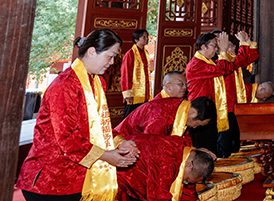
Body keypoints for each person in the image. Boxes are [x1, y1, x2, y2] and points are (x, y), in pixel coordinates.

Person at [17, 29, 140, 201]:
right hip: (51, 179)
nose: (112, 62)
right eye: (110, 56)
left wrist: (120, 142)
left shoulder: (96, 82)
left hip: (80, 178)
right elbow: (67, 138)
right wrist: (107, 156)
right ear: (91, 52)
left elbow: (98, 128)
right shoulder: (65, 86)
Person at [185, 30, 258, 158]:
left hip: (215, 109)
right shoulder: (196, 64)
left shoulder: (210, 62)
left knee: (222, 148)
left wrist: (246, 43)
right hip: (200, 113)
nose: (217, 48)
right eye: (215, 45)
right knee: (207, 149)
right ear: (203, 47)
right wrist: (224, 50)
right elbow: (221, 69)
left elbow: (239, 61)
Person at [116, 134, 214, 201]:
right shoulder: (165, 166)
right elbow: (157, 197)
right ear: (189, 166)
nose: (185, 183)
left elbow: (187, 191)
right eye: (187, 181)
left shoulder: (182, 146)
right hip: (115, 173)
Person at [219, 33, 259, 157]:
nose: (234, 48)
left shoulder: (231, 60)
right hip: (225, 105)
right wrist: (243, 43)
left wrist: (247, 41)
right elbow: (240, 59)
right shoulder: (220, 62)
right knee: (225, 141)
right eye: (230, 45)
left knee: (234, 140)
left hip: (235, 103)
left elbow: (251, 57)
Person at [113, 96, 215, 145]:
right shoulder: (160, 115)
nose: (195, 127)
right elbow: (151, 145)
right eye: (198, 124)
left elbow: (183, 139)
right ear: (194, 113)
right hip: (122, 143)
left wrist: (195, 152)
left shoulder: (182, 108)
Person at [121, 29, 151, 118]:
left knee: (141, 117)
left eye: (147, 37)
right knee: (130, 117)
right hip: (133, 93)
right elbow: (126, 74)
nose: (147, 39)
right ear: (136, 40)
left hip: (145, 93)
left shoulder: (145, 52)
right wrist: (127, 93)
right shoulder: (130, 54)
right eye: (144, 37)